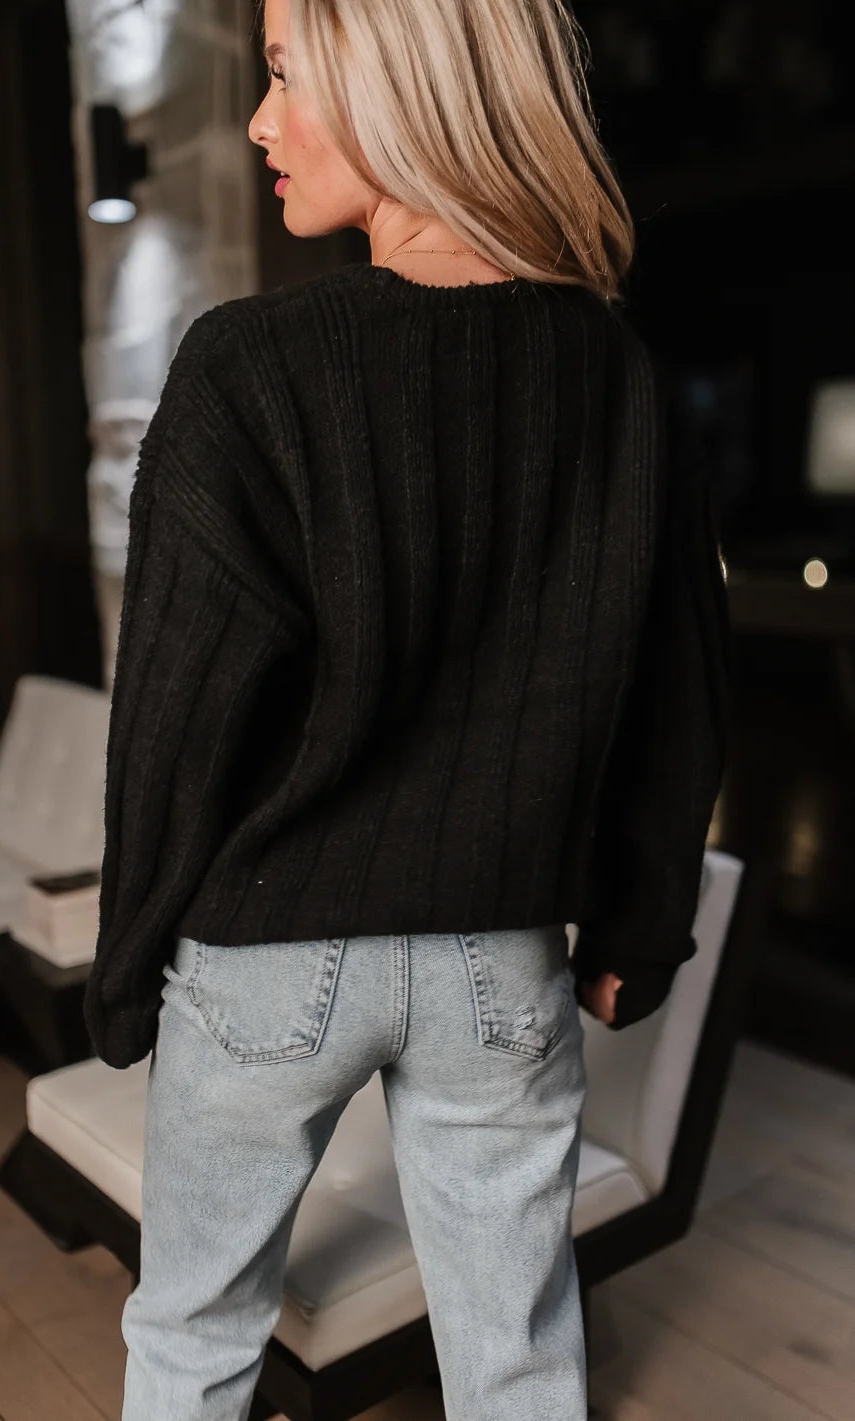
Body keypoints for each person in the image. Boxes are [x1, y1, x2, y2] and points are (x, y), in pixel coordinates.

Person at [82, 1, 732, 1417]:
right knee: (517, 1358)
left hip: (264, 951)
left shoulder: (247, 365)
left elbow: (176, 712)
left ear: (403, 88)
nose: (258, 121)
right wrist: (640, 927)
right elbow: (676, 693)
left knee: (193, 1333)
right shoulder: (616, 373)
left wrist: (125, 963)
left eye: (283, 75)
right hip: (503, 953)